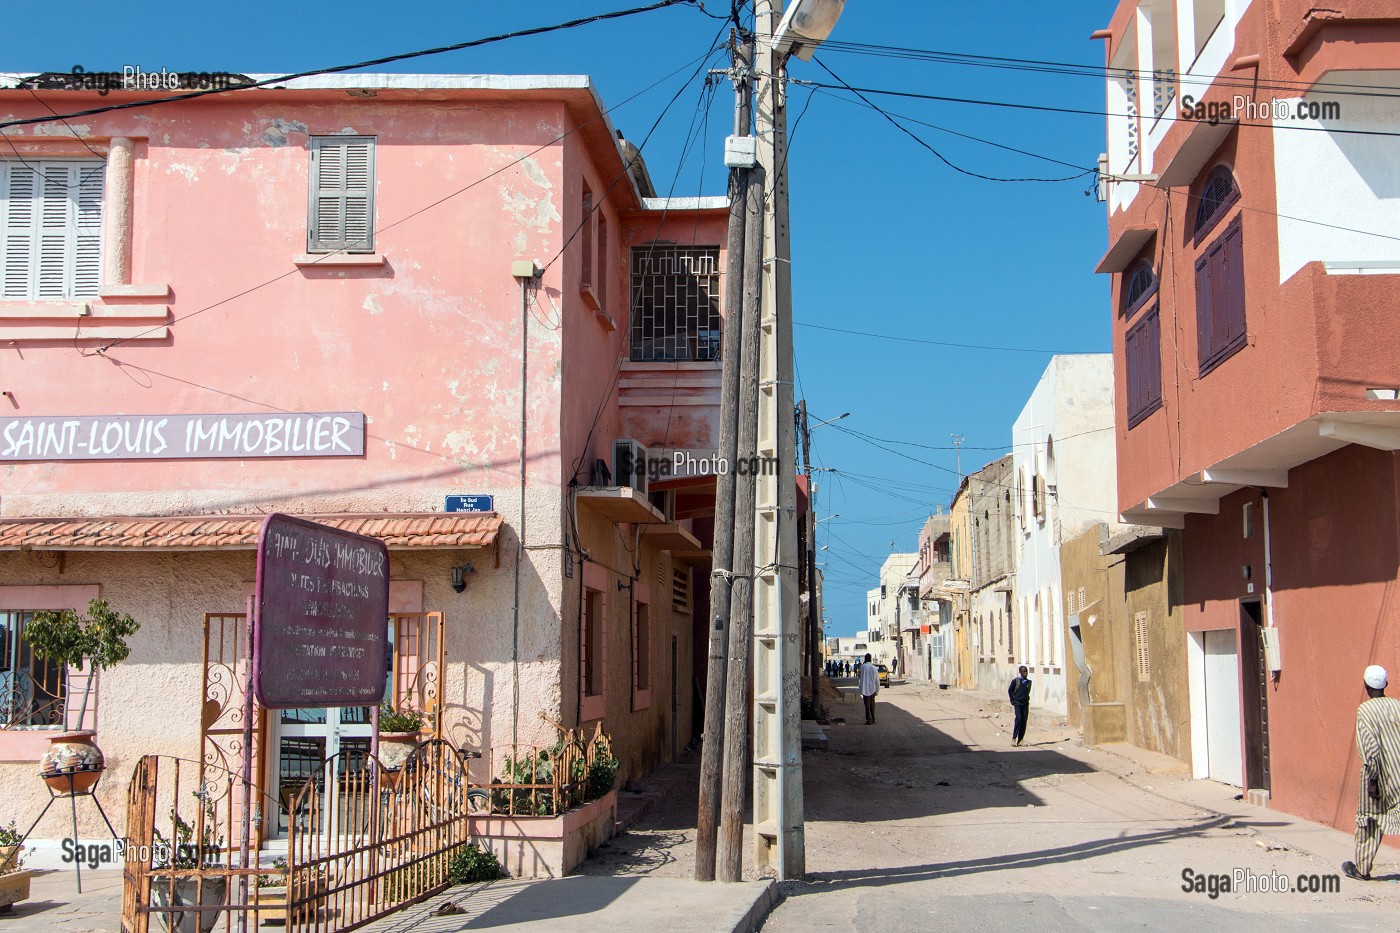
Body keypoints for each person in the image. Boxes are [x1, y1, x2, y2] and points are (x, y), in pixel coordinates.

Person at [1343, 665, 1400, 881]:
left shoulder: (1364, 711)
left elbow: (1370, 749)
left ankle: (1362, 869)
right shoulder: (1397, 706)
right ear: (1385, 685)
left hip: (1379, 776)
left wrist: (1373, 781)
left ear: (1366, 686)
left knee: (1370, 821)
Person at [1008, 665, 1032, 747]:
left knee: (1024, 721)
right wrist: (1012, 700)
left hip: (1025, 703)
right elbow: (1010, 690)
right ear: (1020, 672)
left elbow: (1027, 692)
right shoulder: (1016, 681)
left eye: (1026, 671)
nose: (1025, 673)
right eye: (1024, 671)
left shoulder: (1029, 682)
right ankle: (1014, 738)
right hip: (1017, 703)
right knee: (1019, 718)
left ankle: (1020, 739)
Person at [858, 653, 880, 725]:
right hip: (872, 688)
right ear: (870, 659)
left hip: (865, 688)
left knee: (867, 705)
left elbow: (859, 676)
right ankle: (873, 719)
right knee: (872, 704)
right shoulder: (874, 668)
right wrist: (877, 690)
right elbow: (877, 680)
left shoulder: (862, 667)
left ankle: (869, 720)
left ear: (865, 659)